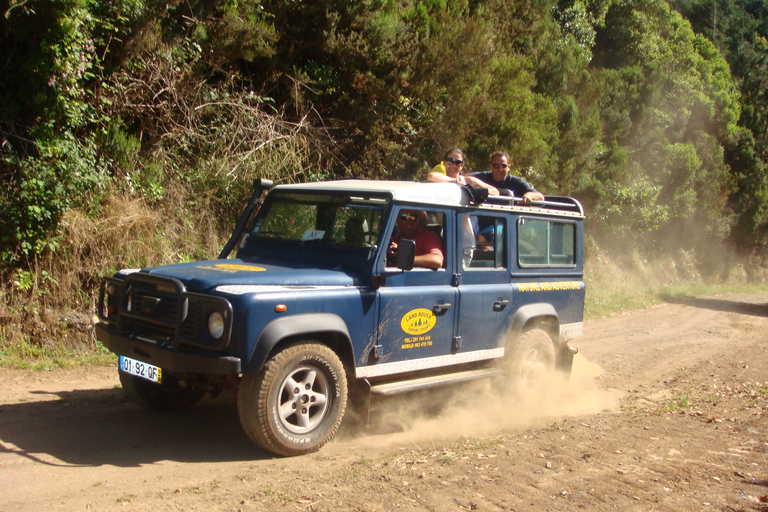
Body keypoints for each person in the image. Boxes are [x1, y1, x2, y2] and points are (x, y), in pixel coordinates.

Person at [470, 150, 544, 205]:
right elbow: (464, 179)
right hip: (480, 218)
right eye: (496, 166)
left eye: (503, 166)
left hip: (504, 222)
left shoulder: (516, 182)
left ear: (509, 167)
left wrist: (529, 195)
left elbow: (541, 197)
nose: (500, 169)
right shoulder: (481, 178)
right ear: (491, 167)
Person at [427, 148, 499, 196]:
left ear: (462, 166)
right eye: (450, 161)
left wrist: (475, 191)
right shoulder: (439, 180)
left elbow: (495, 192)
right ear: (444, 163)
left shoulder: (468, 181)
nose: (453, 165)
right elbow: (431, 176)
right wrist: (455, 181)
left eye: (458, 162)